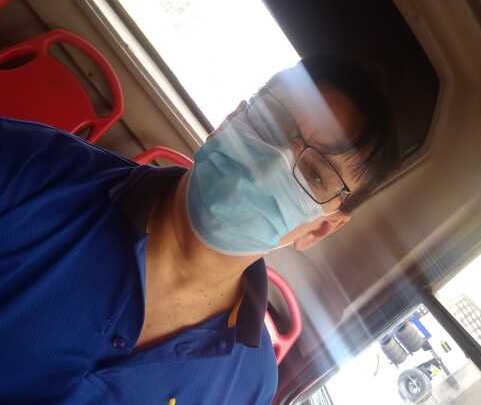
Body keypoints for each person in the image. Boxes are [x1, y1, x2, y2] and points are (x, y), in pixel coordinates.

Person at [0, 55, 399, 404]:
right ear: (230, 119)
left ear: (320, 229)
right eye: (273, 122)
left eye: (315, 174)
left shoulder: (249, 387)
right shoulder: (31, 170)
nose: (269, 165)